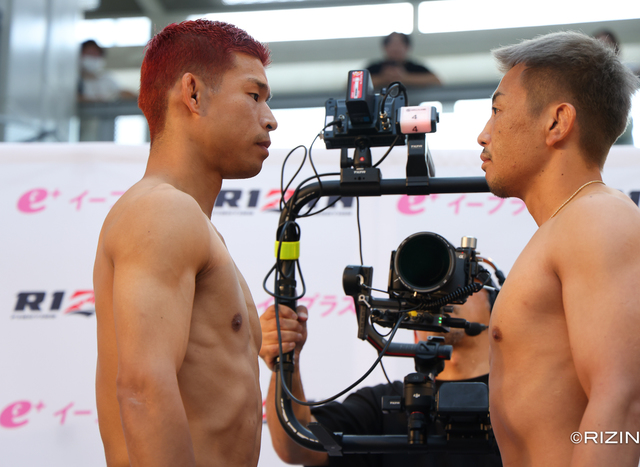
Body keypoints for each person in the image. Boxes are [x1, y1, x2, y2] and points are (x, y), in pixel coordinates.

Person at [93, 20, 277, 467]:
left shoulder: (192, 223)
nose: (270, 118)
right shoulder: (161, 211)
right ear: (193, 94)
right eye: (254, 95)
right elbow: (143, 389)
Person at [477, 31, 640, 466]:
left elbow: (623, 403)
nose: (483, 135)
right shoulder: (567, 226)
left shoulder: (599, 218)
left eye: (497, 111)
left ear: (557, 122)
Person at [260, 285, 503, 466]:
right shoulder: (380, 404)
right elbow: (296, 446)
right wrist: (286, 357)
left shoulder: (520, 400)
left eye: (463, 281)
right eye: (429, 286)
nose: (443, 292)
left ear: (499, 310)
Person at [366, 32, 441, 90]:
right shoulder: (373, 68)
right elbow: (361, 84)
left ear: (407, 47)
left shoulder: (416, 67)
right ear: (385, 47)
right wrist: (383, 78)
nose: (395, 48)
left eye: (399, 44)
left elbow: (437, 81)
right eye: (392, 44)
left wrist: (405, 78)